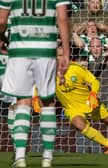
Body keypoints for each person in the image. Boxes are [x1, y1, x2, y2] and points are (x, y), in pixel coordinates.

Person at [0, 0, 70, 168]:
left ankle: (20, 157)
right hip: (45, 49)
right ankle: (47, 158)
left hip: (19, 51)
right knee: (47, 102)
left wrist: (3, 39)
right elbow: (62, 19)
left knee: (22, 101)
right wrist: (66, 53)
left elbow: (1, 22)